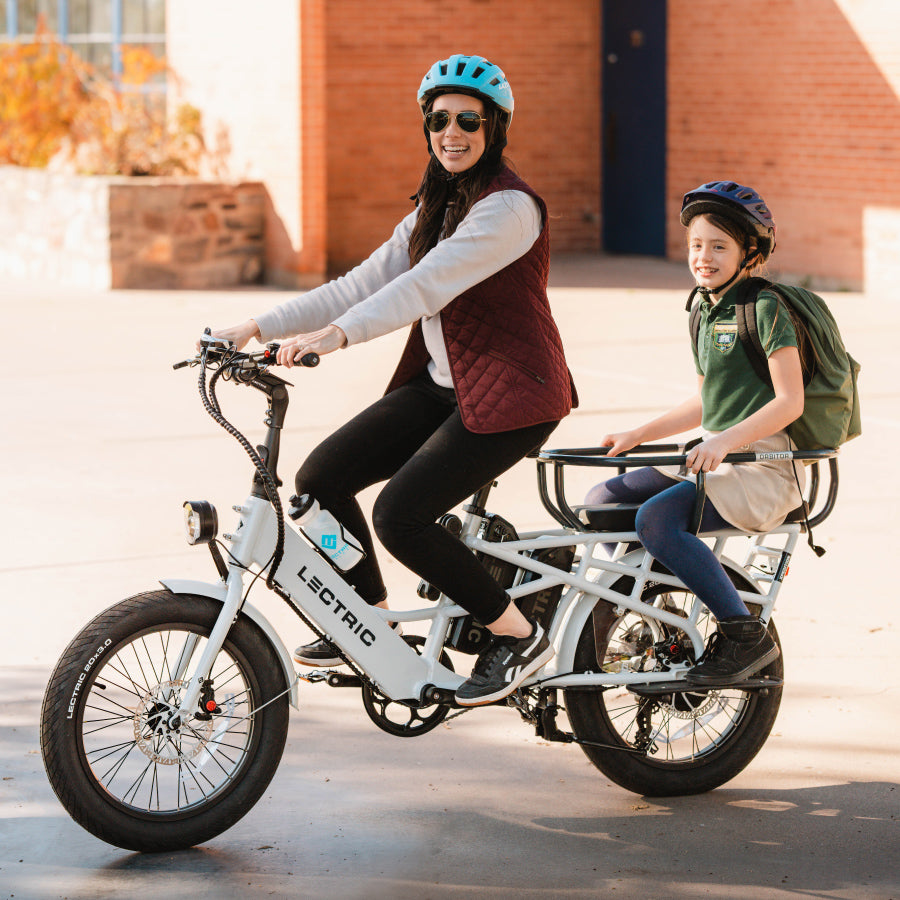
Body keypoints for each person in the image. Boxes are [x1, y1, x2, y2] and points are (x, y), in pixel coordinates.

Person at [207, 54, 577, 707]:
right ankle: (371, 622)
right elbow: (360, 283)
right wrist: (255, 325)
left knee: (401, 516)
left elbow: (422, 286)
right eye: (439, 120)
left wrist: (336, 337)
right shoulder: (434, 208)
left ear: (495, 128)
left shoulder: (509, 208)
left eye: (469, 119)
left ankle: (517, 636)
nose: (452, 132)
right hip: (446, 385)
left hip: (513, 393)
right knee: (322, 480)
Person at [584, 181, 805, 686]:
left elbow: (789, 401)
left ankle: (744, 637)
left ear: (750, 253)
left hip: (762, 464)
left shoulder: (766, 308)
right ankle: (638, 602)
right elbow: (709, 401)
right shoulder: (704, 309)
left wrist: (726, 441)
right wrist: (639, 432)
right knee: (601, 501)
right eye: (695, 245)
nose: (703, 257)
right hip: (713, 454)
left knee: (656, 521)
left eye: (718, 246)